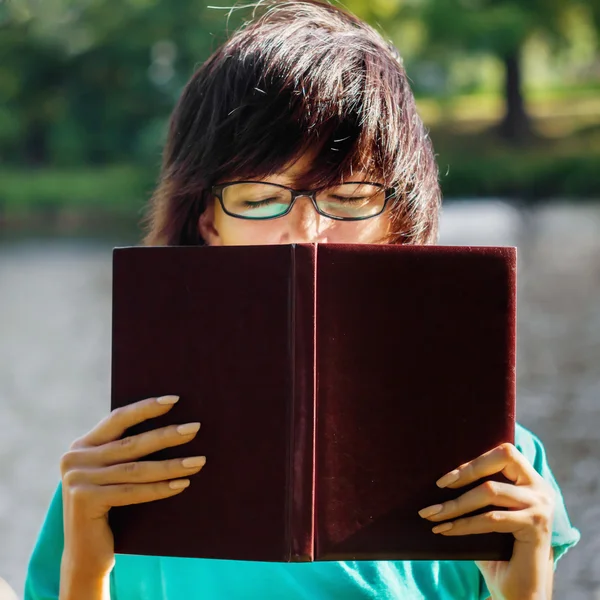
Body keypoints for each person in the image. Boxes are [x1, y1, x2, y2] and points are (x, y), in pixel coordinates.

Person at [24, 1, 580, 599]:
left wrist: (523, 592)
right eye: (261, 197)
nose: (304, 232)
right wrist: (84, 576)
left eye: (346, 198)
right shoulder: (117, 468)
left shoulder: (496, 464)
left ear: (398, 221)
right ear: (207, 221)